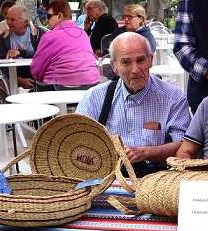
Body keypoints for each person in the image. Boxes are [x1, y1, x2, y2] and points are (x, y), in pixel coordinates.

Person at [77, 32, 190, 176]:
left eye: (141, 60)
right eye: (126, 62)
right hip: (108, 178)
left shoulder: (173, 97)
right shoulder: (94, 97)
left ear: (150, 60)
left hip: (156, 179)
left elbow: (185, 148)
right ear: (114, 66)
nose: (135, 69)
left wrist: (145, 152)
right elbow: (77, 141)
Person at [30, 0, 101, 90]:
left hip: (56, 88)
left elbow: (37, 70)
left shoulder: (49, 37)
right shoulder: (83, 33)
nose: (47, 20)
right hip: (89, 85)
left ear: (60, 16)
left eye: (48, 16)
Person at [0, 4, 45, 91]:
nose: (8, 22)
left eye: (13, 20)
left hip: (37, 73)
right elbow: (2, 65)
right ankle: (9, 104)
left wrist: (21, 52)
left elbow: (43, 56)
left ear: (25, 22)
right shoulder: (2, 39)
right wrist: (19, 80)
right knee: (3, 85)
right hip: (14, 74)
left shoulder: (39, 34)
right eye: (8, 19)